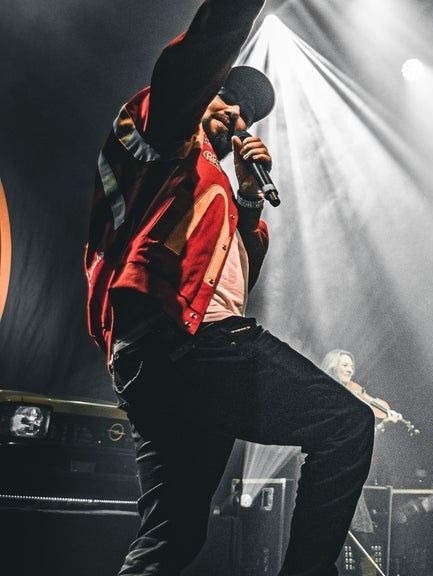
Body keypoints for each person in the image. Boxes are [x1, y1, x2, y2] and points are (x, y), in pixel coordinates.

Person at [84, 2, 374, 574]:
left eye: (248, 114)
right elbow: (198, 54)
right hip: (186, 342)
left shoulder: (214, 187)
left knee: (173, 538)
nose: (238, 115)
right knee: (346, 424)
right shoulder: (164, 137)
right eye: (227, 97)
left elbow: (229, 281)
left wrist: (246, 199)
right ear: (203, 91)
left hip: (164, 360)